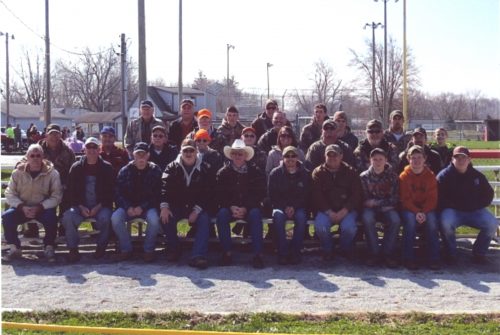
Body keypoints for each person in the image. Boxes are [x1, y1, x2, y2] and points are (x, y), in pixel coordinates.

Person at [2, 144, 62, 262]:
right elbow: (9, 193)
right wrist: (21, 206)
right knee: (7, 217)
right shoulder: (17, 173)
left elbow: (56, 196)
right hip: (22, 208)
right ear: (27, 157)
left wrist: (40, 207)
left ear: (43, 157)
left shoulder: (53, 173)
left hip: (43, 208)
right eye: (32, 155)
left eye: (38, 155)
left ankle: (49, 247)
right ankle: (14, 248)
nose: (35, 158)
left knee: (52, 218)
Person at [437, 146, 497, 265]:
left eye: (463, 157)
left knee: (492, 223)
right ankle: (451, 253)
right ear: (452, 159)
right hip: (453, 211)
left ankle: (479, 253)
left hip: (474, 211)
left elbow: (489, 194)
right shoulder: (443, 176)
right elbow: (439, 198)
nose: (460, 160)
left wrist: (477, 205)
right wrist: (454, 205)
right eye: (457, 157)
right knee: (445, 221)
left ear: (469, 159)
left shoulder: (477, 176)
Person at [160, 139, 213, 269]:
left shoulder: (205, 168)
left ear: (196, 152)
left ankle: (198, 255)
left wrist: (196, 210)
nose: (188, 153)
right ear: (180, 151)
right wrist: (165, 207)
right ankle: (175, 249)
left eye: (191, 150)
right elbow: (164, 188)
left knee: (204, 219)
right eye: (185, 150)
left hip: (197, 207)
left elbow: (208, 193)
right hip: (177, 206)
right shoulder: (171, 167)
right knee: (165, 218)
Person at [215, 139, 267, 268]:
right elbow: (219, 195)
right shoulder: (223, 172)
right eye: (235, 154)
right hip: (229, 208)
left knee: (255, 214)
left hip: (249, 207)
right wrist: (231, 206)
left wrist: (245, 207)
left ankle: (257, 255)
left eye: (240, 154)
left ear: (245, 155)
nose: (237, 156)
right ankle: (226, 252)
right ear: (231, 155)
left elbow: (259, 193)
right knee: (222, 215)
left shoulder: (255, 171)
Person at [62, 137, 114, 262]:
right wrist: (80, 206)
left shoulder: (107, 168)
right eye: (88, 147)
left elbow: (110, 192)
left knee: (106, 218)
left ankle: (101, 247)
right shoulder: (76, 168)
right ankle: (73, 249)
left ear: (99, 150)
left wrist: (98, 207)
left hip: (100, 206)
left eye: (94, 147)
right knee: (68, 217)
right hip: (80, 206)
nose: (91, 150)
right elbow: (71, 192)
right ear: (84, 150)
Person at [20, 123, 75, 238]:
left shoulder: (68, 151)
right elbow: (24, 160)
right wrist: (20, 166)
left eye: (56, 134)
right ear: (46, 135)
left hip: (61, 184)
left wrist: (65, 184)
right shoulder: (37, 148)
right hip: (41, 184)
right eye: (51, 134)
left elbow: (72, 171)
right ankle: (32, 228)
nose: (54, 137)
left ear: (61, 135)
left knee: (66, 199)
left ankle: (62, 228)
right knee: (32, 196)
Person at [111, 142, 163, 262]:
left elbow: (157, 194)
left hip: (148, 207)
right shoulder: (124, 171)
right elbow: (118, 193)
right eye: (137, 154)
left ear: (148, 156)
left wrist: (142, 207)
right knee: (115, 218)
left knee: (154, 220)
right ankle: (126, 249)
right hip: (128, 207)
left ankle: (148, 250)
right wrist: (128, 207)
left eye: (143, 154)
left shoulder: (155, 170)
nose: (140, 157)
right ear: (133, 155)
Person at [312, 144, 362, 261]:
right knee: (321, 227)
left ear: (341, 156)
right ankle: (328, 249)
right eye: (329, 155)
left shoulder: (351, 172)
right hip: (326, 210)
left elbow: (356, 195)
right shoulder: (318, 173)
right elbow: (316, 196)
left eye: (335, 155)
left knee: (349, 228)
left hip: (347, 210)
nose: (332, 157)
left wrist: (344, 211)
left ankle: (345, 249)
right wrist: (329, 212)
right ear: (325, 156)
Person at [399, 145, 440, 270]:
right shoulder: (403, 176)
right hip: (409, 209)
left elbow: (432, 199)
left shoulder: (430, 176)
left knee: (432, 221)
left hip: (426, 208)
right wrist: (417, 212)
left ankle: (434, 258)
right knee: (410, 221)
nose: (416, 161)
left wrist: (423, 212)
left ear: (425, 159)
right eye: (413, 158)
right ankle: (408, 257)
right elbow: (404, 199)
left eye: (419, 158)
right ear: (408, 159)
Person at [268, 146, 311, 265]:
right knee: (278, 216)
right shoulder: (275, 173)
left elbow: (306, 195)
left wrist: (294, 207)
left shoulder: (305, 173)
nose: (290, 159)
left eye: (293, 156)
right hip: (280, 207)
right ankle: (283, 252)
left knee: (301, 217)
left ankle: (296, 251)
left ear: (297, 158)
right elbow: (272, 195)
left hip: (298, 207)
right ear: (283, 157)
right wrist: (285, 207)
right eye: (287, 156)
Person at [360, 148, 401, 267]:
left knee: (395, 220)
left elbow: (394, 198)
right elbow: (364, 200)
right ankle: (374, 253)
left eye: (380, 159)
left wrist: (376, 203)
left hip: (388, 208)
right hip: (371, 209)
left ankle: (388, 253)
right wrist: (382, 203)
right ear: (370, 160)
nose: (378, 162)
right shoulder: (364, 177)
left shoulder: (393, 177)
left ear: (386, 160)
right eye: (375, 159)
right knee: (367, 218)